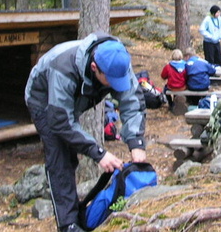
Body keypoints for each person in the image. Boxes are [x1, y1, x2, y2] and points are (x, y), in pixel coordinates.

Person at [24, 34, 146, 232]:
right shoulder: (63, 68)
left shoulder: (118, 61)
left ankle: (85, 215)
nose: (116, 85)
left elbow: (132, 102)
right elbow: (61, 122)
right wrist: (99, 153)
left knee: (71, 142)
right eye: (111, 81)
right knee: (61, 155)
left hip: (72, 98)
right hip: (43, 100)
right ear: (94, 67)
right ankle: (68, 224)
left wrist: (136, 142)